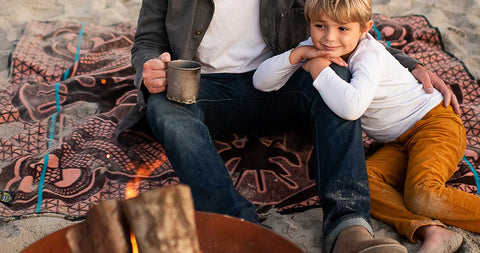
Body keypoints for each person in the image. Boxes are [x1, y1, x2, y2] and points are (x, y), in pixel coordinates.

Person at [115, 0, 459, 252]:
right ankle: (239, 227)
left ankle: (348, 226)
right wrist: (149, 66)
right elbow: (147, 41)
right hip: (203, 86)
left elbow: (343, 24)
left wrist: (406, 63)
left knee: (336, 74)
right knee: (162, 106)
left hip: (281, 81)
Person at [253, 0, 479, 252]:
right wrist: (297, 55)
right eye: (320, 26)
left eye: (342, 29)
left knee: (423, 194)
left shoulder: (368, 53)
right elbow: (261, 82)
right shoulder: (311, 46)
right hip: (398, 141)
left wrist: (318, 69)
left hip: (435, 125)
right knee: (364, 183)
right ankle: (431, 230)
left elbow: (352, 108)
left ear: (365, 29)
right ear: (309, 23)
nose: (329, 38)